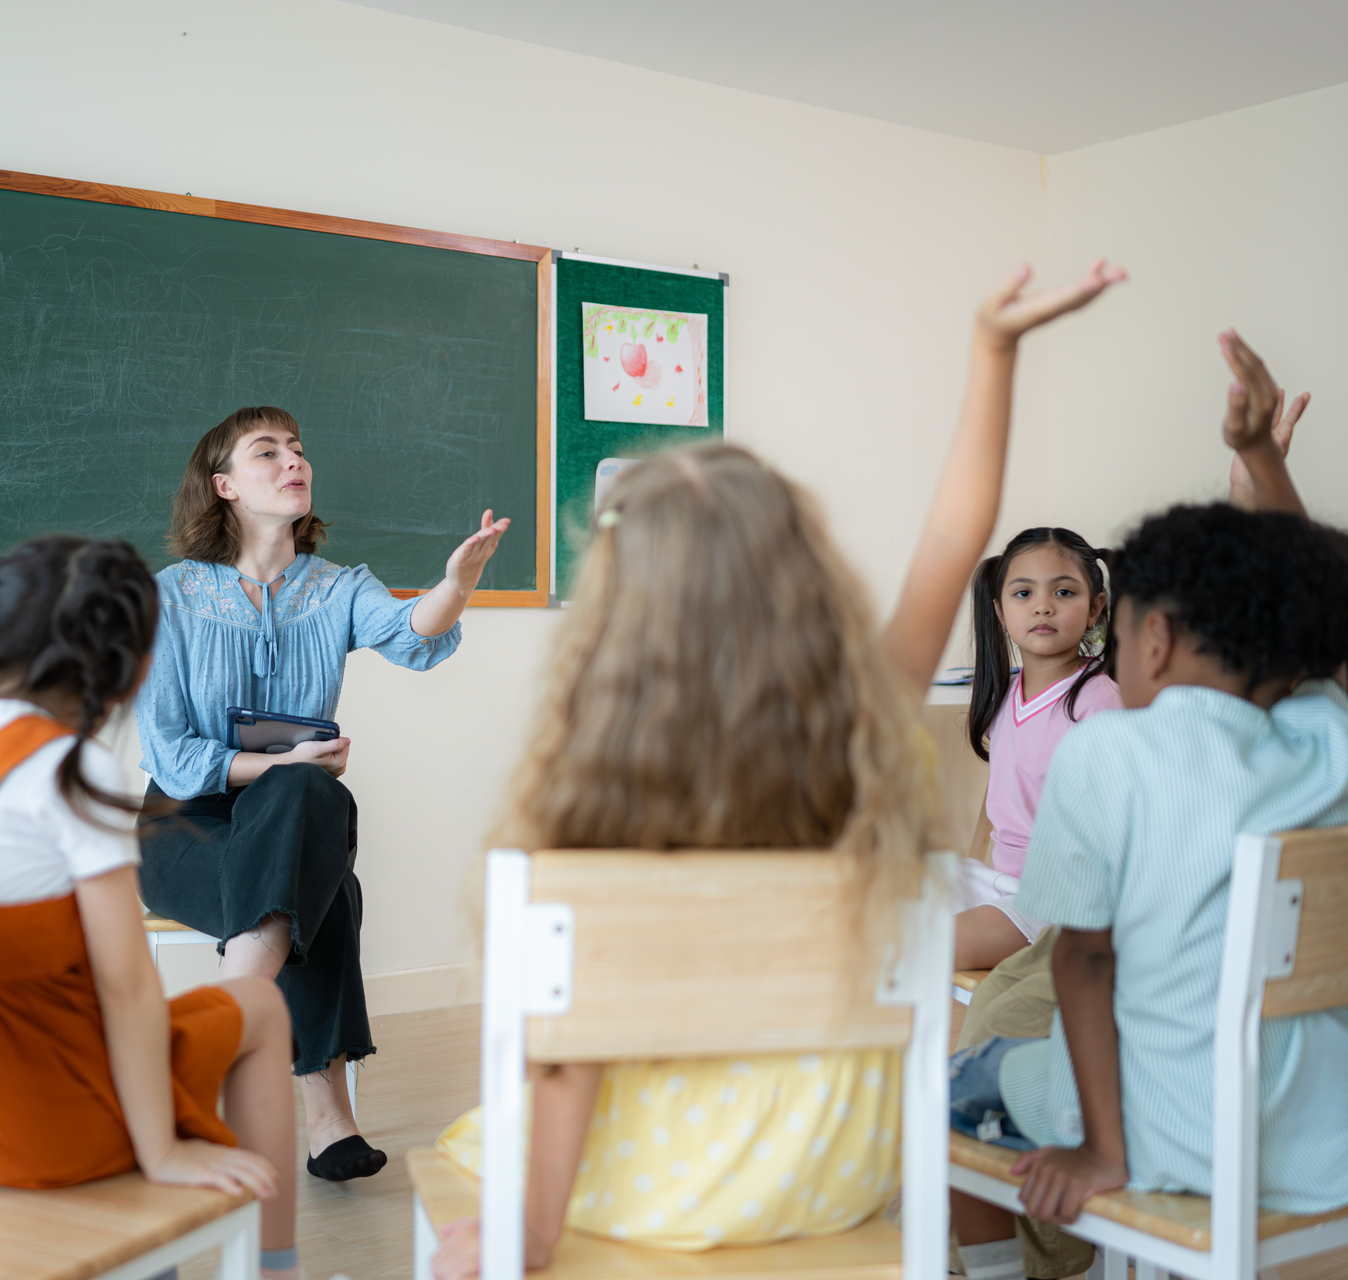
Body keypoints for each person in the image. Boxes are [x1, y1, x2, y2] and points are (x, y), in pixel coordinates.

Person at [429, 260, 1126, 1277]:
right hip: (840, 1170)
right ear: (808, 582)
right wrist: (992, 349)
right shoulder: (865, 733)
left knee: (482, 1135)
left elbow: (566, 1064)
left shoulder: (593, 822)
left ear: (621, 620)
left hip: (663, 1185)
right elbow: (951, 537)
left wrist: (527, 1237)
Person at [947, 337, 1348, 1280]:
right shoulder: (1328, 740)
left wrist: (1103, 1147)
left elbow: (1086, 966)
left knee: (952, 1090)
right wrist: (1263, 461)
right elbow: (1325, 624)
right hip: (1331, 1138)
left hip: (1179, 1132)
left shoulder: (1109, 750)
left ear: (1158, 638)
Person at [0, 535, 305, 1278]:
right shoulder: (67, 767)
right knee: (259, 1002)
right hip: (48, 1121)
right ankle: (273, 1269)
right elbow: (125, 987)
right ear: (135, 667)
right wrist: (161, 1150)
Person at [135, 405, 510, 1181]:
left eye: (299, 449)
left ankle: (226, 1014)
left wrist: (456, 584)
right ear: (225, 486)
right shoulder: (168, 595)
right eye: (267, 452)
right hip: (184, 825)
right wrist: (280, 766)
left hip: (292, 816)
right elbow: (169, 754)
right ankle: (326, 1116)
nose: (293, 460)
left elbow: (413, 633)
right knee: (322, 879)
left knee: (307, 805)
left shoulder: (339, 588)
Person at [957, 528, 1121, 970]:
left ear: (1095, 609)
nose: (1042, 606)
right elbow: (1003, 799)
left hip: (1057, 902)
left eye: (1064, 592)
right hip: (1002, 883)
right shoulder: (1006, 693)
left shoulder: (1098, 700)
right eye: (1023, 593)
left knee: (930, 942)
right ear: (1000, 611)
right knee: (881, 906)